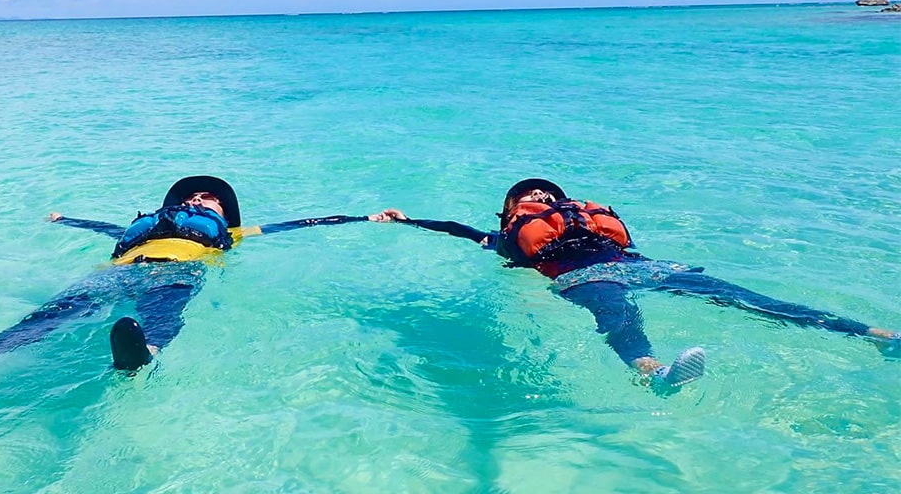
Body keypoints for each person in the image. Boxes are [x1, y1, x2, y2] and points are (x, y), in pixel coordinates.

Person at [371, 178, 900, 394]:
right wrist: (405, 219)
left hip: (646, 265)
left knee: (750, 300)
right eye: (528, 195)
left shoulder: (578, 219)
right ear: (510, 212)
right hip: (583, 278)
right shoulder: (504, 236)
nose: (537, 196)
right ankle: (656, 374)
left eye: (544, 192)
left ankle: (875, 335)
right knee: (620, 320)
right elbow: (457, 230)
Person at [0, 175, 365, 375]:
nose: (203, 200)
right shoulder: (140, 228)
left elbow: (300, 223)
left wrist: (365, 218)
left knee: (164, 312)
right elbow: (106, 228)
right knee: (52, 314)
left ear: (225, 214)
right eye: (197, 196)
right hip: (115, 273)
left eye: (213, 200)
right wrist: (66, 220)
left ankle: (143, 353)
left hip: (177, 271)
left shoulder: (235, 233)